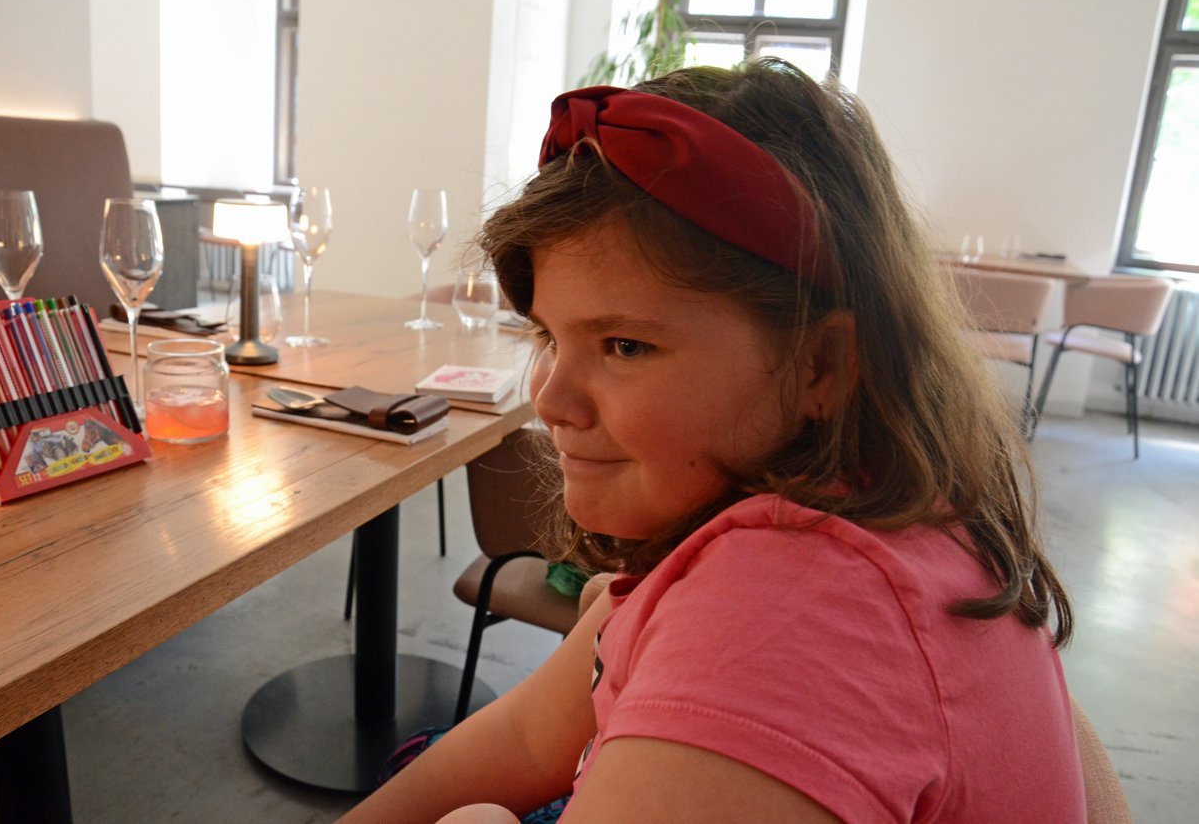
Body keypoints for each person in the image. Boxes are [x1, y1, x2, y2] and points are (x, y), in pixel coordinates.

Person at [341, 58, 1084, 823]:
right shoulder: (858, 512)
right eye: (550, 338)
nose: (550, 401)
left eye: (625, 345)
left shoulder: (795, 615)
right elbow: (530, 737)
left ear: (820, 364)